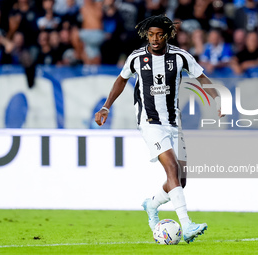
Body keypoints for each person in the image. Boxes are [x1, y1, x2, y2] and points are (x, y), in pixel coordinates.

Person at [94, 15, 223, 243]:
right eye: (150, 34)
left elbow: (202, 77)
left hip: (174, 123)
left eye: (159, 34)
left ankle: (151, 204)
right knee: (171, 168)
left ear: (167, 35)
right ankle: (187, 224)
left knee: (181, 180)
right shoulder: (136, 58)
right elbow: (121, 80)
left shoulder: (180, 57)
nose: (154, 39)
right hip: (149, 122)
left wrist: (217, 99)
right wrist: (106, 107)